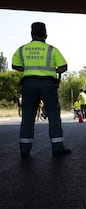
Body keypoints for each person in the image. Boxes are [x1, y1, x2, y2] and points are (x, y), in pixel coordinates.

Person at [11, 22, 71, 158]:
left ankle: (25, 150)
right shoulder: (52, 50)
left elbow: (15, 65)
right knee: (53, 116)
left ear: (31, 34)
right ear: (45, 35)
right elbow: (63, 67)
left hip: (29, 84)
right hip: (48, 85)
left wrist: (29, 69)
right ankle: (57, 149)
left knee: (27, 117)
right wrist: (52, 71)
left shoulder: (22, 49)